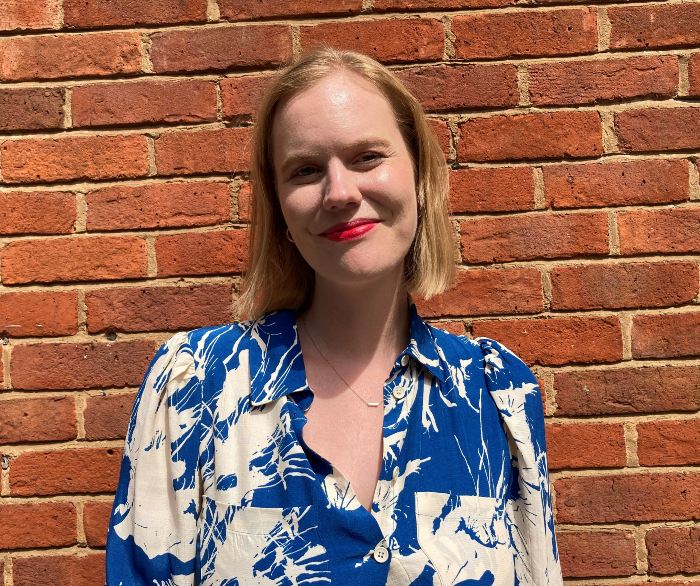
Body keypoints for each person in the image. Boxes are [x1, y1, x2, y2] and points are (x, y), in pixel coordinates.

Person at [106, 47, 563, 586]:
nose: (340, 192)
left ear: (419, 174)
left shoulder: (494, 393)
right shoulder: (194, 386)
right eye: (305, 170)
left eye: (368, 157)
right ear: (278, 204)